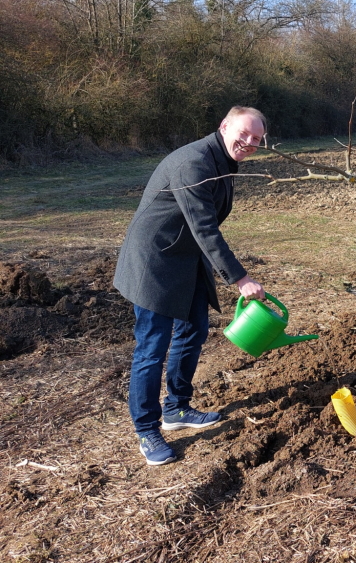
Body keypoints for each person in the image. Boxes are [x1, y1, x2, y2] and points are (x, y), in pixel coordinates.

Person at [114, 106, 268, 465]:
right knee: (152, 347)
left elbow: (203, 228)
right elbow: (205, 228)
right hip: (154, 261)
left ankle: (177, 409)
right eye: (244, 134)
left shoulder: (223, 160)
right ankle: (147, 429)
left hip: (186, 257)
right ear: (224, 126)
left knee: (194, 331)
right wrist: (240, 278)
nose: (249, 142)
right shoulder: (195, 163)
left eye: (257, 139)